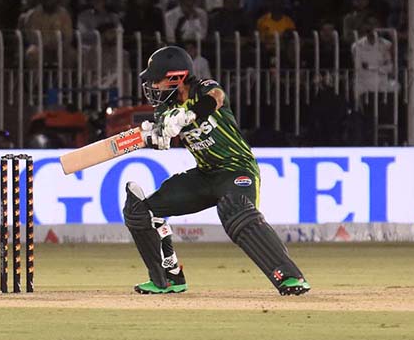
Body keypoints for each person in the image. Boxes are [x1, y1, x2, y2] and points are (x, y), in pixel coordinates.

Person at [122, 45, 310, 295]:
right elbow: (166, 129)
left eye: (156, 81)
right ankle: (167, 279)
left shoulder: (204, 87)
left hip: (236, 170)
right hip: (205, 175)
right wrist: (158, 136)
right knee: (139, 211)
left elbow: (217, 97)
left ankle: (289, 277)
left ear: (176, 78)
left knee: (234, 208)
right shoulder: (165, 109)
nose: (153, 87)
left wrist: (190, 115)